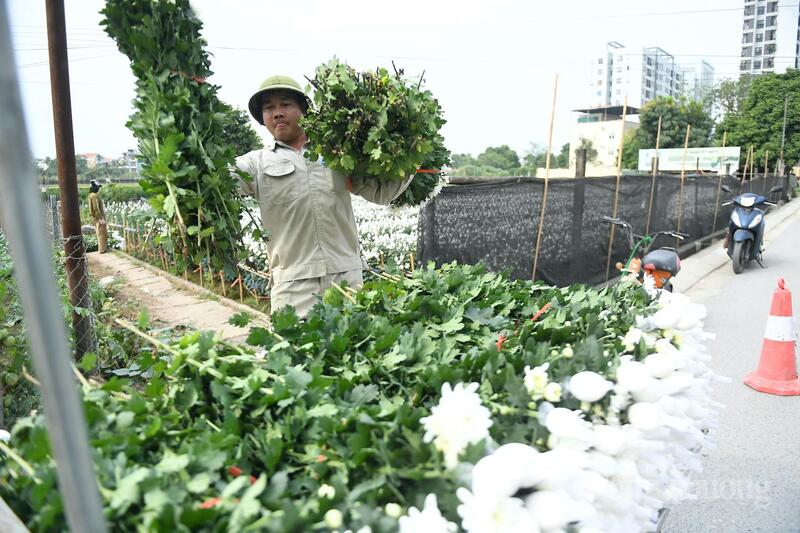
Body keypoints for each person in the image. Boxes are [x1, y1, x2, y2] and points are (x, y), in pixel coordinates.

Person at [235, 75, 413, 317]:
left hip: (347, 280)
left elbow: (381, 193)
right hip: (293, 287)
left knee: (355, 351)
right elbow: (221, 178)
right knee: (296, 353)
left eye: (285, 104)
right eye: (269, 108)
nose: (277, 113)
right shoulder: (256, 163)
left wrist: (408, 153)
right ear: (262, 118)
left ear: (304, 110)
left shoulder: (337, 153)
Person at [87, 180, 108, 253]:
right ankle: (102, 250)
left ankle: (102, 249)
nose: (98, 189)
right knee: (102, 233)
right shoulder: (95, 196)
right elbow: (96, 208)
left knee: (99, 232)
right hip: (98, 217)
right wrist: (100, 218)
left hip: (94, 217)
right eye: (98, 187)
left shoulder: (90, 195)